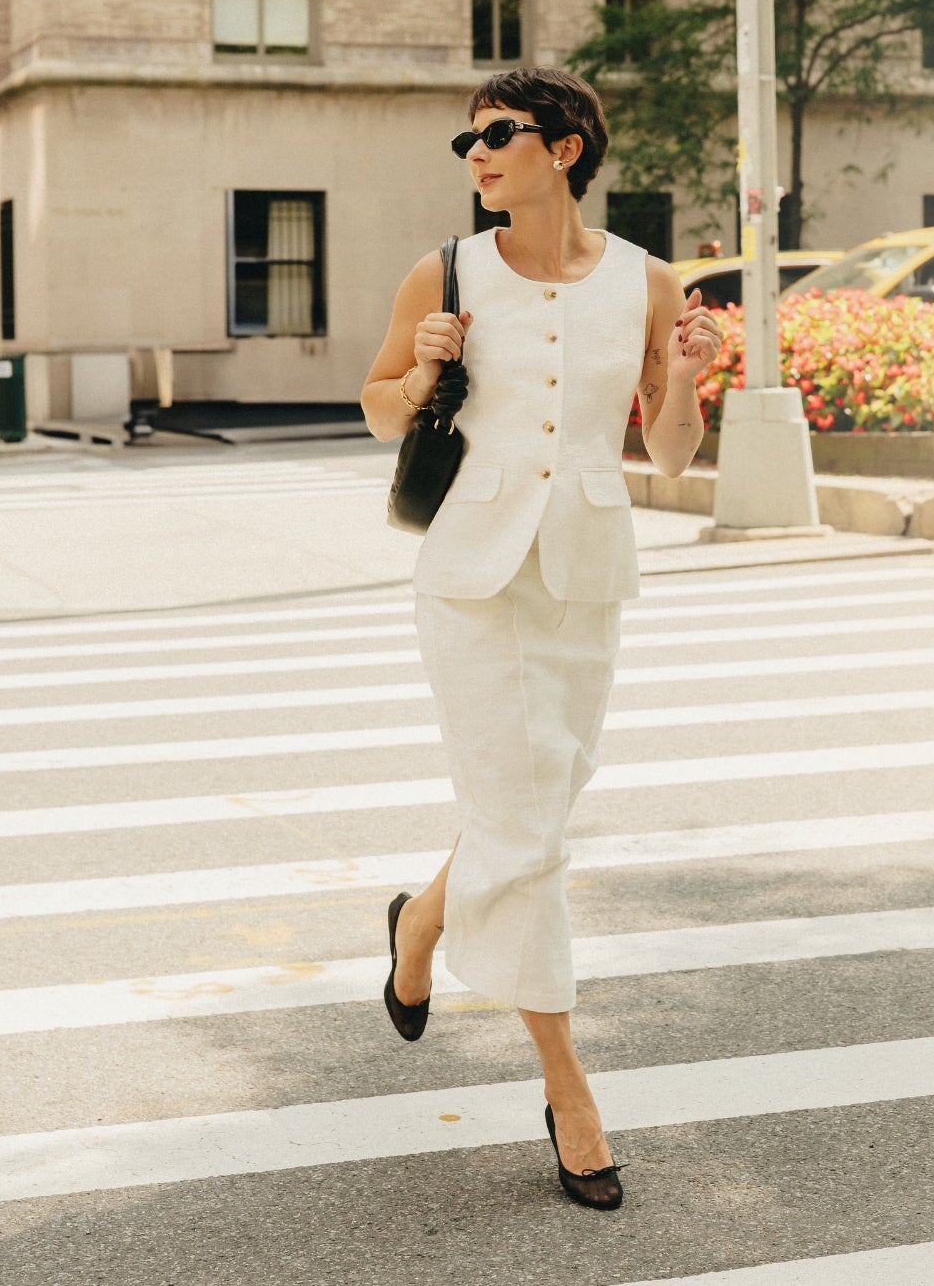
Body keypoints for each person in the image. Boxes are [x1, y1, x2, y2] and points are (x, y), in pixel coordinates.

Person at [357, 68, 721, 1211]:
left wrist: (685, 373)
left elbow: (666, 454)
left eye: (499, 135)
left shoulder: (649, 282)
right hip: (471, 577)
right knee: (528, 830)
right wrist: (420, 366)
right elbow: (377, 409)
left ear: (565, 149)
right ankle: (571, 1089)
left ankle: (420, 922)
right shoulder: (446, 269)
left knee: (534, 807)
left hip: (584, 576)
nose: (477, 153)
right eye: (468, 139)